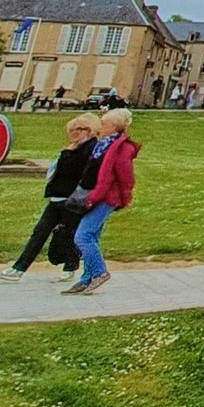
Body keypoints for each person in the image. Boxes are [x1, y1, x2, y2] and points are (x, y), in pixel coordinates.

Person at [0, 113, 99, 281]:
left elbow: (76, 171)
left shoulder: (90, 148)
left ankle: (70, 267)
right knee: (40, 232)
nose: (72, 133)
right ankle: (18, 269)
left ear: (88, 130)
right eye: (71, 130)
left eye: (77, 130)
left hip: (72, 199)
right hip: (57, 198)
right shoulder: (75, 147)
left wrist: (66, 153)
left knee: (67, 234)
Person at [67, 108, 140, 295]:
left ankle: (99, 272)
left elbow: (126, 177)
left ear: (114, 127)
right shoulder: (104, 145)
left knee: (82, 236)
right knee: (91, 237)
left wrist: (124, 198)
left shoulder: (121, 148)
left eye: (104, 124)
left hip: (108, 197)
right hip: (95, 194)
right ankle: (87, 278)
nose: (100, 127)